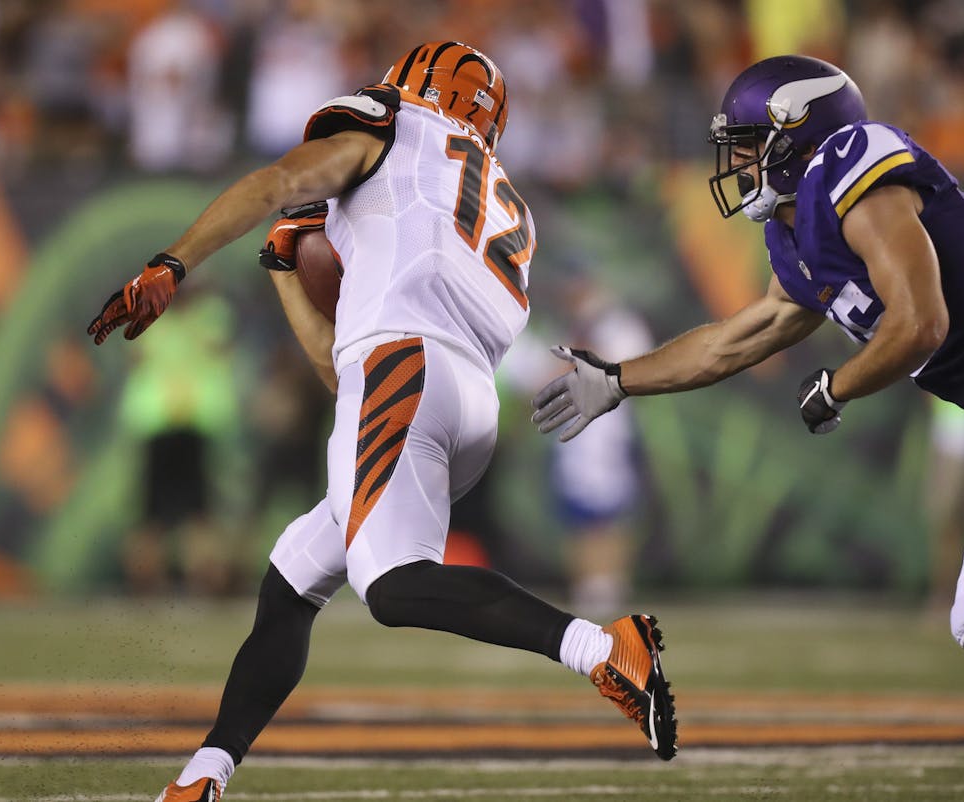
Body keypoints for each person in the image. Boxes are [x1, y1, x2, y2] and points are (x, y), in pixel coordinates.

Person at [88, 41, 678, 802]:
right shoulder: (507, 205)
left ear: (415, 86)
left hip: (404, 370)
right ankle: (203, 776)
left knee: (392, 588)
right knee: (294, 577)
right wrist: (283, 274)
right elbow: (344, 377)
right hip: (460, 399)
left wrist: (173, 262)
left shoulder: (396, 121)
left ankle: (604, 646)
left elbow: (280, 181)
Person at [532, 54, 964, 739]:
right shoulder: (794, 235)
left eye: (748, 147)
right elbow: (739, 338)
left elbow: (922, 321)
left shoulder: (850, 160)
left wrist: (835, 387)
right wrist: (618, 378)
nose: (739, 165)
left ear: (795, 134)